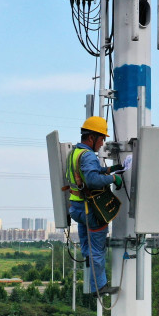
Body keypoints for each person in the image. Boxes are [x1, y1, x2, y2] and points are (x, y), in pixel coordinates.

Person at [67, 116, 123, 295]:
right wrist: (113, 178)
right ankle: (99, 287)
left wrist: (108, 170)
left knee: (88, 248)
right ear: (91, 137)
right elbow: (91, 180)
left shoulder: (76, 152)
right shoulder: (89, 155)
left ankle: (92, 273)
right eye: (101, 139)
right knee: (97, 250)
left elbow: (86, 172)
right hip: (89, 210)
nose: (102, 144)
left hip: (76, 209)